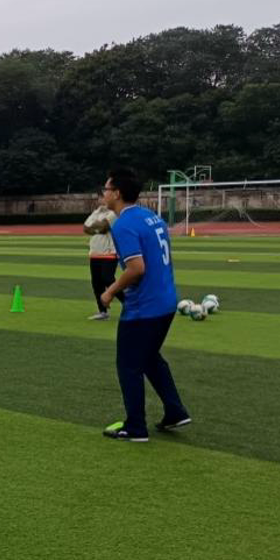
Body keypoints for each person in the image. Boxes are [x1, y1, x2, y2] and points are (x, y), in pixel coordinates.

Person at [99, 168, 192, 442]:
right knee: (150, 357)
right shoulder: (152, 217)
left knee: (128, 365)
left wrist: (110, 291)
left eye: (106, 189)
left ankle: (135, 427)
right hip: (166, 302)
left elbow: (136, 268)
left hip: (144, 308)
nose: (103, 193)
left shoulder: (124, 224)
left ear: (117, 193)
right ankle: (175, 411)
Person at [82, 196, 120, 320]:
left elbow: (104, 227)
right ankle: (103, 312)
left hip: (109, 252)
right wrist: (97, 227)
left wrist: (94, 227)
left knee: (108, 279)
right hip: (95, 252)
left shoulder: (113, 212)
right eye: (100, 198)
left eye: (104, 197)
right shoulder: (96, 212)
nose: (102, 200)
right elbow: (85, 228)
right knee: (96, 283)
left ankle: (130, 304)